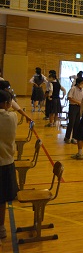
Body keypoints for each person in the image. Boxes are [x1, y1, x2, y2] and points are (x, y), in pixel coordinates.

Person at [0, 90, 18, 240]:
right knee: (2, 199)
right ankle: (1, 227)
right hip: (6, 162)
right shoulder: (12, 117)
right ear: (7, 104)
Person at [65, 77, 83, 144]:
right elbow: (69, 97)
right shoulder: (73, 88)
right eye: (82, 83)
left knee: (77, 123)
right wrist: (77, 102)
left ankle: (74, 138)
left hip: (79, 107)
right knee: (71, 122)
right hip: (73, 106)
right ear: (78, 83)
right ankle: (67, 137)